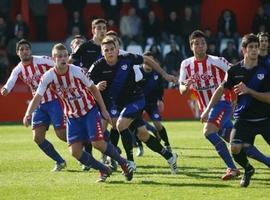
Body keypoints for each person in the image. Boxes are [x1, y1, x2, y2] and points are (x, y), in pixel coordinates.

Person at [23, 43, 134, 182]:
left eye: (65, 55)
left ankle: (123, 163)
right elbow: (37, 97)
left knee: (97, 143)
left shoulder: (76, 71)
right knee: (75, 152)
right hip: (72, 116)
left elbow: (93, 89)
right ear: (53, 58)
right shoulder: (48, 76)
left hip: (89, 111)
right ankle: (103, 169)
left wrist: (104, 110)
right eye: (59, 56)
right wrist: (28, 113)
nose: (63, 59)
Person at [88, 37, 178, 174]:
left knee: (120, 125)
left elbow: (147, 60)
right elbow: (86, 82)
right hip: (118, 104)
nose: (110, 52)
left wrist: (165, 75)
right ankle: (170, 156)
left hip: (136, 99)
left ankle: (130, 162)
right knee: (143, 135)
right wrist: (95, 86)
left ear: (117, 50)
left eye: (112, 49)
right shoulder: (97, 66)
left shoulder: (127, 58)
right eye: (106, 50)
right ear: (102, 52)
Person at [201, 33, 270, 187]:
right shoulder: (234, 71)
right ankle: (248, 169)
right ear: (244, 50)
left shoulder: (266, 70)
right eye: (250, 47)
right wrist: (207, 110)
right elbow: (221, 89)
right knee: (235, 147)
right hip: (243, 119)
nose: (254, 50)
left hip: (266, 118)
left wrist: (249, 91)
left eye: (256, 47)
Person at [178, 30, 240, 180]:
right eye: (197, 44)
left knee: (208, 132)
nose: (200, 46)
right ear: (191, 46)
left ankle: (232, 168)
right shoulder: (186, 64)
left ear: (206, 45)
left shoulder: (217, 61)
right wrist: (186, 86)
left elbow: (237, 73)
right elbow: (181, 89)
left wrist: (235, 97)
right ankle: (261, 161)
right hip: (205, 108)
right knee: (236, 141)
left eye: (203, 43)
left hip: (221, 103)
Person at [0, 39, 66, 171]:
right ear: (18, 53)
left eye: (27, 49)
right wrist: (6, 89)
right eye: (22, 49)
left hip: (54, 101)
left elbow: (60, 64)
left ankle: (87, 152)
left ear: (30, 50)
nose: (25, 51)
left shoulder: (42, 60)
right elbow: (11, 81)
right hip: (39, 104)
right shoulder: (18, 69)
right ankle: (60, 161)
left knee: (62, 135)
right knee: (38, 137)